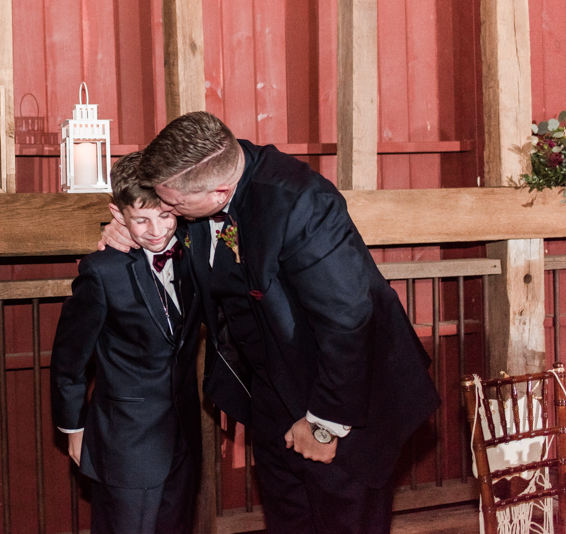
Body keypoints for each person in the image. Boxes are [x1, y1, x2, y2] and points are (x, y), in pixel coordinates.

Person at [99, 111, 441, 534]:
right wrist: (127, 237)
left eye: (172, 205)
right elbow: (174, 241)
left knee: (343, 521)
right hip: (272, 396)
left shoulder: (301, 202)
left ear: (218, 191)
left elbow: (349, 318)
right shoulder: (204, 190)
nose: (166, 211)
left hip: (349, 395)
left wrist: (324, 424)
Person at [50, 151, 203, 534]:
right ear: (117, 215)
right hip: (125, 446)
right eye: (141, 219)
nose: (156, 230)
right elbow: (69, 359)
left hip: (183, 439)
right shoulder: (102, 272)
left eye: (166, 216)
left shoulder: (191, 252)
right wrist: (73, 428)